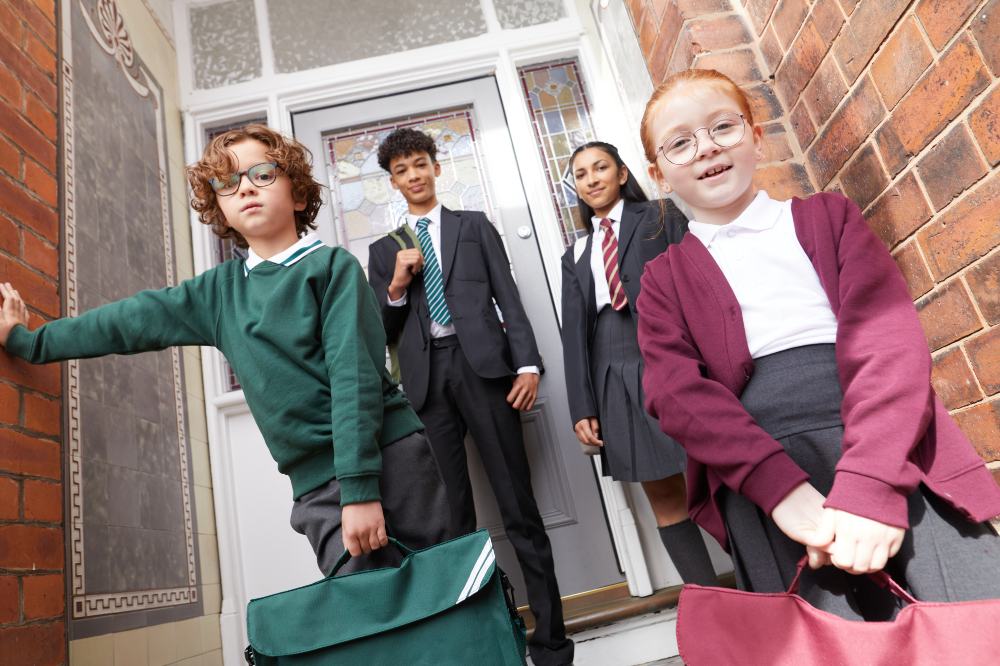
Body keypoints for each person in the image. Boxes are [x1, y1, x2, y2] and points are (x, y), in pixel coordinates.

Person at [0, 124, 449, 577]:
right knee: (364, 608)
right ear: (220, 209)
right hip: (316, 484)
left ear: (297, 195)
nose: (245, 187)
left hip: (389, 457)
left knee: (444, 592)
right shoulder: (219, 293)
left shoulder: (332, 268)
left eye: (262, 174)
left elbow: (354, 378)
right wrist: (27, 341)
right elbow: (127, 321)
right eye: (228, 182)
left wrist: (359, 488)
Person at [635, 68, 1000, 620]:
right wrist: (781, 492)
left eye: (722, 127)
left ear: (758, 139)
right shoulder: (662, 281)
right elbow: (676, 393)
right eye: (680, 143)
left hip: (883, 436)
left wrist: (872, 482)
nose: (706, 147)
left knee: (969, 623)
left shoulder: (828, 218)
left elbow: (886, 339)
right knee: (830, 641)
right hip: (763, 467)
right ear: (658, 174)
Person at [367, 128, 573, 666]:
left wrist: (527, 364)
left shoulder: (474, 227)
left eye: (420, 164)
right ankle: (482, 644)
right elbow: (380, 330)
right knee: (450, 522)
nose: (413, 175)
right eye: (401, 170)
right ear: (393, 183)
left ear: (436, 168)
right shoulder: (383, 250)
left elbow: (509, 295)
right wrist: (396, 286)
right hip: (426, 385)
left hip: (484, 372)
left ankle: (552, 644)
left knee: (518, 507)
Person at [560, 140, 715, 586]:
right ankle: (710, 600)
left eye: (600, 168)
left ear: (622, 174)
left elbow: (698, 283)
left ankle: (763, 587)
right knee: (661, 493)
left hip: (669, 354)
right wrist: (582, 407)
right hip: (611, 367)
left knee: (715, 471)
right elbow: (574, 336)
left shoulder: (661, 217)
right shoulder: (576, 253)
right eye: (581, 174)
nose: (591, 179)